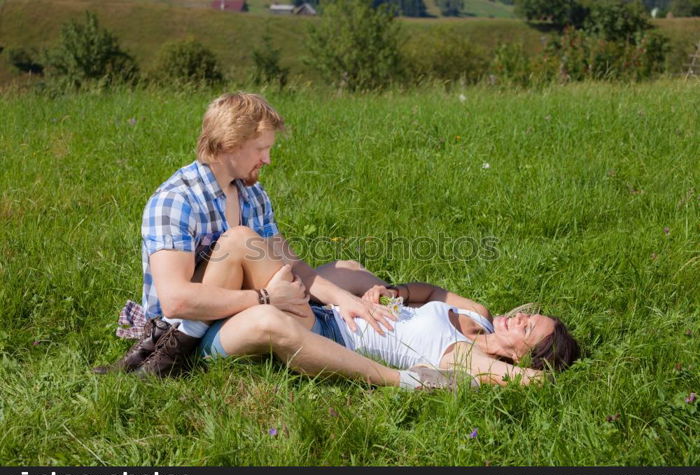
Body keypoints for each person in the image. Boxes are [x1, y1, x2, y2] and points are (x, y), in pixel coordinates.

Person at [96, 92, 404, 379]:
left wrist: (342, 298)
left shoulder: (252, 194)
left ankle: (395, 322)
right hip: (188, 333)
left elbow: (290, 264)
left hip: (241, 306)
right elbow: (176, 302)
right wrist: (267, 297)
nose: (267, 159)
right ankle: (362, 346)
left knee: (348, 272)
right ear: (230, 143)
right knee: (239, 240)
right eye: (261, 149)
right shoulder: (176, 200)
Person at [194, 229, 580, 389]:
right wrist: (392, 290)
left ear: (520, 355)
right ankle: (195, 317)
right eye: (531, 315)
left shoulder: (468, 358)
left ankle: (189, 336)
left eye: (528, 330)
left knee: (243, 241)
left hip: (320, 330)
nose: (523, 317)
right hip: (338, 310)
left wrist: (538, 370)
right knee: (345, 268)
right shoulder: (478, 312)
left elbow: (537, 380)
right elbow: (432, 293)